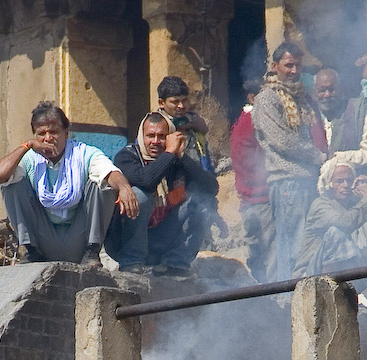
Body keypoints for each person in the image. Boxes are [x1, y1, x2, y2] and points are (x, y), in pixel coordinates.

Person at [0, 101, 139, 265]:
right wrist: (27, 146)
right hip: (43, 240)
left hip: (79, 239)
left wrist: (124, 188)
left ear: (66, 133)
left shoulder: (83, 153)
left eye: (54, 132)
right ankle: (30, 251)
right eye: (41, 134)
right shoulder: (30, 159)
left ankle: (92, 252)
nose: (48, 138)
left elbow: (111, 172)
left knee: (102, 183)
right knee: (11, 184)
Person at [105, 113, 219, 277]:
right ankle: (132, 262)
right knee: (139, 195)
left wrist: (180, 156)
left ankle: (175, 264)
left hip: (160, 240)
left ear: (171, 137)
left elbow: (211, 188)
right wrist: (169, 153)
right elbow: (146, 182)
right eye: (150, 136)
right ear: (141, 136)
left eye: (162, 136)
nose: (155, 142)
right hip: (123, 243)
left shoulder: (175, 159)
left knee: (205, 202)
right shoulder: (127, 156)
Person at [252, 41, 328, 280]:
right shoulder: (267, 99)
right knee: (293, 247)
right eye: (288, 65)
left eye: (297, 65)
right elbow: (283, 141)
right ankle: (291, 300)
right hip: (288, 183)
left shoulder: (300, 99)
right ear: (275, 66)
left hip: (307, 180)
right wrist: (320, 157)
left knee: (308, 244)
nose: (294, 71)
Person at [295, 157, 367, 312]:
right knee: (336, 233)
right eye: (339, 181)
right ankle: (333, 297)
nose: (345, 185)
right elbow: (345, 223)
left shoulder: (359, 203)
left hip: (352, 272)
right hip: (313, 277)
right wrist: (366, 201)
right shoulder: (320, 205)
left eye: (349, 180)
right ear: (329, 184)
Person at [230, 78, 277, 282]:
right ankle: (273, 291)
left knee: (256, 248)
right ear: (253, 97)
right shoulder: (254, 121)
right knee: (270, 248)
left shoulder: (244, 118)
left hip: (249, 196)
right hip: (260, 197)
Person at [313, 66, 367, 183]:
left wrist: (337, 158)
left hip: (356, 185)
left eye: (332, 90)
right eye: (322, 91)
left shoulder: (356, 111)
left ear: (341, 90)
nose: (327, 95)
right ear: (314, 92)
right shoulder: (310, 115)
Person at [157, 76, 213, 174]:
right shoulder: (155, 125)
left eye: (184, 100)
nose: (181, 106)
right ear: (161, 103)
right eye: (175, 102)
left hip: (197, 176)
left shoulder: (191, 118)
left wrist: (190, 124)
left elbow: (204, 128)